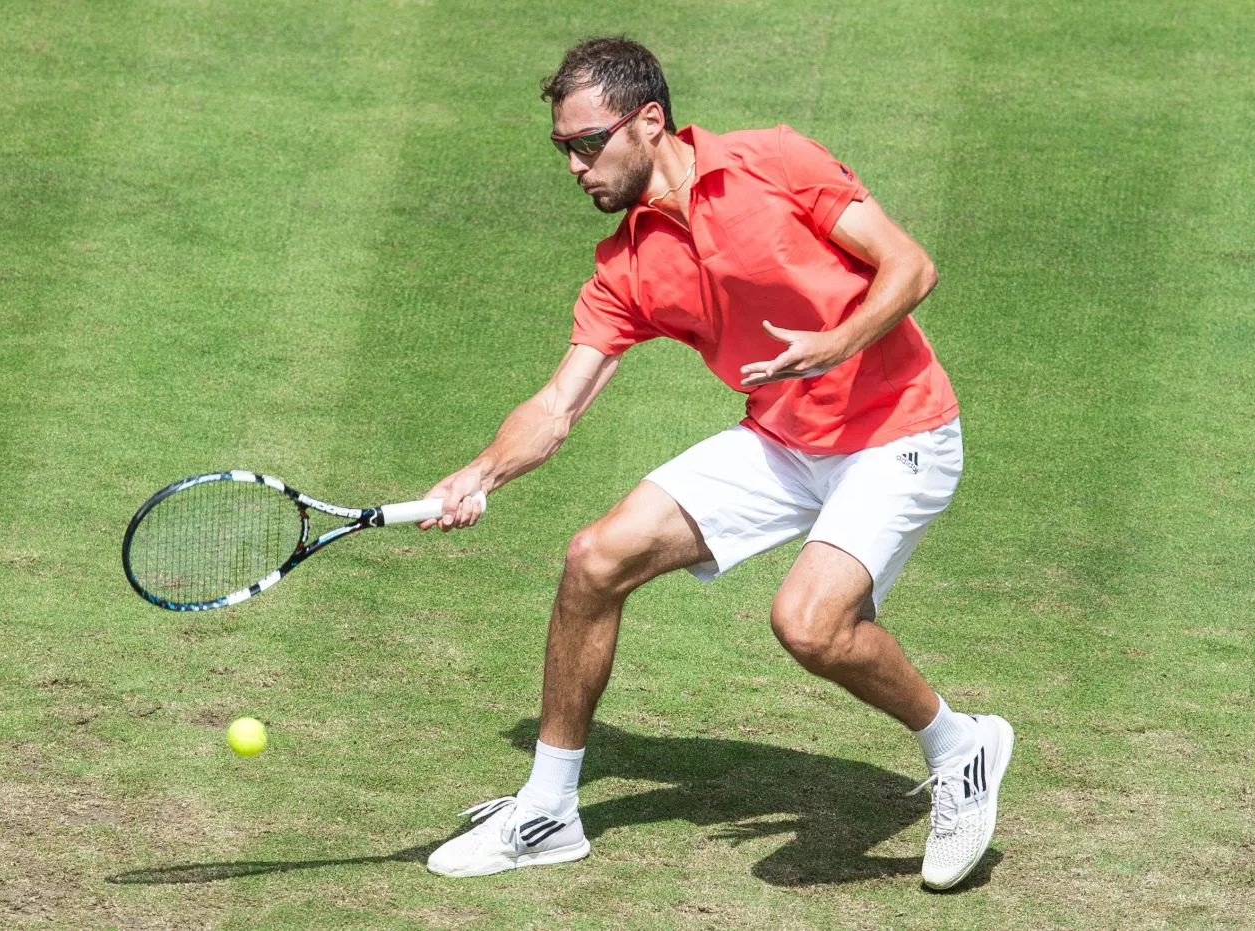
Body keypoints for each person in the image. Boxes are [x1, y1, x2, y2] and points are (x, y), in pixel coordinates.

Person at [416, 35, 1012, 890]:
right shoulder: (625, 263)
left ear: (648, 122)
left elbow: (911, 265)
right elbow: (557, 406)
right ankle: (548, 810)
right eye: (563, 150)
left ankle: (962, 747)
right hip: (781, 439)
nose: (577, 167)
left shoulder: (775, 161)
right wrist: (476, 476)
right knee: (595, 559)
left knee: (809, 625)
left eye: (589, 143)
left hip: (898, 432)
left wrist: (834, 344)